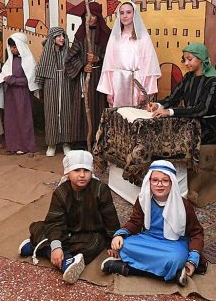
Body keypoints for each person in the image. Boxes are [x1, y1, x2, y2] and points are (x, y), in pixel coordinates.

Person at [18, 150, 120, 283]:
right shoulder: (61, 192)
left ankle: (41, 247)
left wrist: (112, 242)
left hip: (89, 233)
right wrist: (56, 245)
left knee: (95, 243)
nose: (82, 175)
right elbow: (54, 222)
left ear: (91, 172)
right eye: (77, 170)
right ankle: (65, 260)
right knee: (39, 226)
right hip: (65, 232)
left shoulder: (101, 189)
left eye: (86, 171)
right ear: (67, 172)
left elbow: (110, 218)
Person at [101, 160, 205, 285]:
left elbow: (196, 233)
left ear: (172, 183)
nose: (159, 184)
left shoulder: (183, 205)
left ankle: (126, 268)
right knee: (124, 246)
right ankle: (174, 274)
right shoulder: (143, 200)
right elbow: (135, 222)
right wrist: (119, 235)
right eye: (155, 180)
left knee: (175, 259)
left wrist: (193, 258)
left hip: (174, 243)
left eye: (165, 181)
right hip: (149, 239)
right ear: (149, 182)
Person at [147, 42, 216, 145]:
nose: (186, 63)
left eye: (189, 59)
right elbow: (173, 98)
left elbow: (202, 109)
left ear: (201, 58)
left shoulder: (213, 81)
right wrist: (158, 105)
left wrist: (170, 112)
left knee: (174, 140)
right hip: (190, 121)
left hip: (209, 127)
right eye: (184, 60)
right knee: (160, 134)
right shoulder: (188, 77)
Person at [97, 1, 161, 107]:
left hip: (137, 83)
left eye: (128, 12)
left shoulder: (143, 38)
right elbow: (109, 65)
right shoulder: (115, 38)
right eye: (122, 13)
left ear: (134, 14)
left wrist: (143, 91)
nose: (125, 16)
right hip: (118, 84)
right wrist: (109, 92)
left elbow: (149, 65)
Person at [65, 2, 110, 147]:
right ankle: (81, 141)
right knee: (82, 109)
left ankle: (98, 140)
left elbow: (112, 57)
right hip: (84, 79)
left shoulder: (106, 35)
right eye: (86, 15)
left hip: (100, 78)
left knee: (99, 107)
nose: (88, 18)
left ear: (98, 17)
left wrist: (98, 58)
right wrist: (83, 66)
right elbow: (70, 57)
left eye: (91, 15)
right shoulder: (80, 34)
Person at [0, 33, 39, 155]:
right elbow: (3, 76)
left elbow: (29, 81)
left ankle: (26, 146)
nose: (11, 49)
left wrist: (13, 80)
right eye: (10, 47)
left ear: (20, 46)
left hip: (23, 94)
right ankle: (14, 145)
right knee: (11, 120)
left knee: (24, 119)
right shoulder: (10, 61)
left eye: (14, 46)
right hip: (11, 95)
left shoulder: (29, 61)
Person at [35, 27, 73, 157]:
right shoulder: (46, 53)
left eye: (63, 35)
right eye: (58, 36)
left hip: (66, 84)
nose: (62, 38)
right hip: (50, 85)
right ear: (52, 38)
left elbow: (73, 68)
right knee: (51, 113)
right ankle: (51, 144)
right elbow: (41, 70)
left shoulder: (67, 52)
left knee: (66, 113)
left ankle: (66, 143)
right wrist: (39, 86)